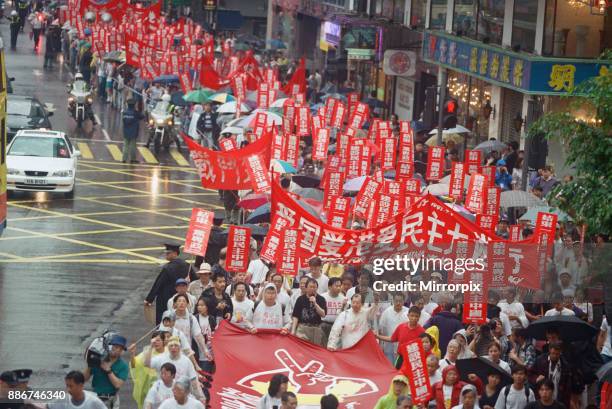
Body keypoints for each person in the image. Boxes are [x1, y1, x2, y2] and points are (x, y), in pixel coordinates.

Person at [143, 337, 205, 403]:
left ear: (179, 348)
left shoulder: (186, 361)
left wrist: (200, 397)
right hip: (164, 397)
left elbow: (194, 381)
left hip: (181, 397)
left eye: (176, 345)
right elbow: (146, 364)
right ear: (168, 348)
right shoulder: (161, 358)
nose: (173, 348)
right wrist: (150, 347)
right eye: (171, 346)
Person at [145, 244, 194, 324]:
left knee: (163, 320)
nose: (166, 255)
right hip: (182, 298)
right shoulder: (187, 265)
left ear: (175, 253)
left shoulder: (167, 268)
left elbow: (158, 284)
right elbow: (194, 279)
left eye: (168, 253)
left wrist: (149, 299)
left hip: (165, 299)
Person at [531, 343, 582, 409]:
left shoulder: (565, 365)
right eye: (553, 353)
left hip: (558, 398)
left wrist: (569, 400)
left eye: (557, 354)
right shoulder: (540, 360)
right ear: (549, 351)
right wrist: (536, 379)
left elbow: (568, 386)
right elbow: (530, 373)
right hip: (542, 397)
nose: (554, 356)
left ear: (560, 352)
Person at [83, 335, 129, 409]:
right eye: (114, 346)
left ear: (121, 351)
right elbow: (84, 379)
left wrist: (109, 371)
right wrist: (89, 365)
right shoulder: (98, 360)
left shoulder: (123, 366)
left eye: (119, 348)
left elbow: (118, 385)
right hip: (96, 397)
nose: (115, 349)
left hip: (111, 399)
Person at [291, 278, 327, 346]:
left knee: (315, 350)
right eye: (311, 287)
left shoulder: (321, 299)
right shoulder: (300, 299)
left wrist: (315, 304)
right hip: (303, 328)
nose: (313, 289)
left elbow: (323, 314)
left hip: (316, 329)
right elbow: (296, 316)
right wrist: (293, 330)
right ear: (306, 288)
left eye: (314, 287)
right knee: (301, 348)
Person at [321, 277, 346, 342]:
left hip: (337, 326)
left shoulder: (344, 299)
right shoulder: (322, 297)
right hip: (323, 325)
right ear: (329, 287)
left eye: (340, 286)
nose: (338, 288)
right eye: (336, 286)